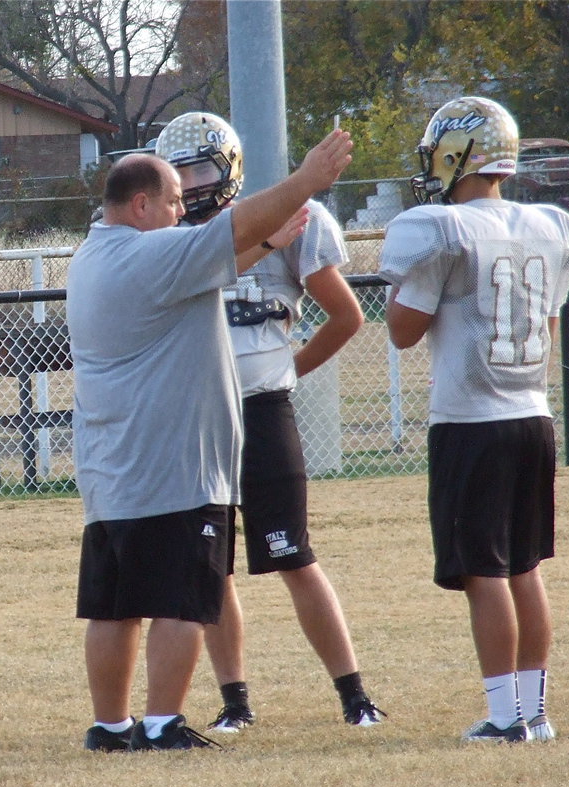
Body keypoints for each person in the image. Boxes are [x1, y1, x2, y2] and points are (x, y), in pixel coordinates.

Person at [68, 128, 354, 752]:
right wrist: (305, 181)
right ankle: (164, 722)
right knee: (181, 601)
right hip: (172, 467)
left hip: (112, 471)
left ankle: (109, 727)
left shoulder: (95, 255)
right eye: (171, 201)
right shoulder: (153, 256)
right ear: (140, 205)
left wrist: (267, 242)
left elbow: (210, 258)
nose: (180, 212)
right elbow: (225, 232)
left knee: (113, 608)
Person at [153, 112, 386, 733]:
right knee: (211, 563)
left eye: (199, 167)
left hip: (260, 410)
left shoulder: (293, 222)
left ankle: (355, 695)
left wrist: (287, 372)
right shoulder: (170, 234)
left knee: (293, 555)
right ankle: (235, 702)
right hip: (196, 418)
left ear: (228, 168)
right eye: (177, 171)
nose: (189, 183)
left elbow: (345, 316)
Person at [377, 97, 569, 743]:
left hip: (472, 420)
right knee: (525, 567)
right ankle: (534, 711)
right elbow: (546, 327)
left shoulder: (446, 228)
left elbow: (403, 330)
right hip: (532, 416)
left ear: (456, 153)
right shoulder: (545, 225)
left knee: (484, 570)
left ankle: (502, 715)